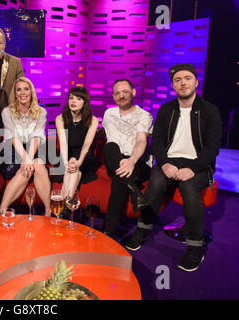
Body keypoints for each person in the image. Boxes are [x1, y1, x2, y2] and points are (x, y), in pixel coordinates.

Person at [126, 63, 222, 272]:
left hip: (199, 164)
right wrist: (165, 162)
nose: (183, 83)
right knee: (156, 182)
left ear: (196, 82)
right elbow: (157, 142)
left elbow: (213, 147)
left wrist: (194, 167)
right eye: (178, 80)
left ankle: (195, 246)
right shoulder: (166, 109)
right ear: (173, 85)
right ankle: (143, 229)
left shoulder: (210, 110)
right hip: (169, 160)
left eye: (187, 78)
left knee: (188, 188)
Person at [101, 79, 153, 238]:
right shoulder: (109, 113)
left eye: (125, 92)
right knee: (110, 147)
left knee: (119, 178)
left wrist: (131, 161)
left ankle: (107, 232)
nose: (121, 96)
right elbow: (100, 134)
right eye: (117, 93)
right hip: (115, 159)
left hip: (138, 163)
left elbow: (141, 141)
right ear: (113, 96)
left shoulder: (144, 116)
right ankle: (135, 193)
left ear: (134, 92)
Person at [0, 77, 51, 216]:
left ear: (31, 92)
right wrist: (26, 159)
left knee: (38, 164)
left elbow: (37, 137)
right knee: (26, 170)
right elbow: (13, 137)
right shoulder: (7, 112)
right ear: (15, 93)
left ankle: (48, 210)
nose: (23, 92)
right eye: (19, 89)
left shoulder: (41, 112)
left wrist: (28, 158)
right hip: (13, 148)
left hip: (34, 147)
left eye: (26, 89)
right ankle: (2, 210)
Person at [55, 86, 98, 200]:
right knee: (74, 172)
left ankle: (63, 205)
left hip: (84, 156)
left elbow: (86, 145)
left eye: (78, 99)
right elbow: (63, 143)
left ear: (85, 102)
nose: (73, 101)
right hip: (66, 154)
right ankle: (67, 204)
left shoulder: (93, 120)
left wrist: (78, 161)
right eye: (71, 98)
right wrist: (65, 164)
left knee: (75, 169)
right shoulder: (60, 119)